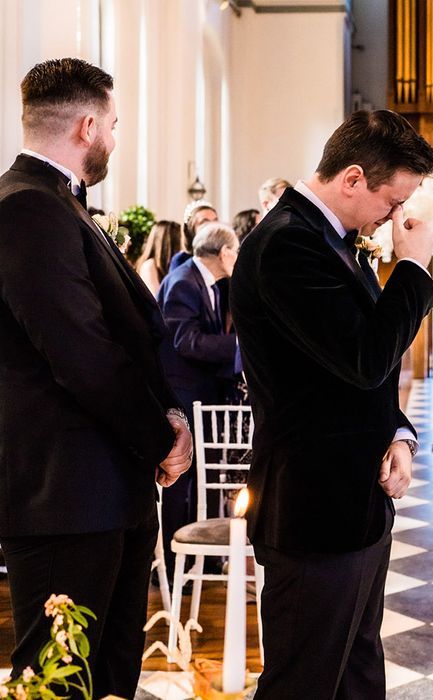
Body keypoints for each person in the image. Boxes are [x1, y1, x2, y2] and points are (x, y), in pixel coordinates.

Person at [0, 58, 192, 698]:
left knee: (108, 675)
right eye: (112, 124)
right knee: (59, 679)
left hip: (105, 490)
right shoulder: (28, 207)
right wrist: (161, 438)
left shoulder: (61, 205)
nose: (114, 136)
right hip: (67, 497)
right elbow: (82, 353)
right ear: (87, 126)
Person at [231, 109, 433, 699]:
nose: (396, 217)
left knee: (358, 674)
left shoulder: (330, 239)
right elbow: (365, 355)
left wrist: (397, 432)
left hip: (357, 501)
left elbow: (358, 374)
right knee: (304, 682)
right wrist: (414, 267)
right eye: (392, 201)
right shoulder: (287, 245)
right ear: (352, 179)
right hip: (312, 507)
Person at [156, 221, 240, 575]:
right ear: (223, 252)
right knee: (181, 484)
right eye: (235, 250)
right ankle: (177, 568)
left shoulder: (208, 281)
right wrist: (243, 347)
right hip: (183, 396)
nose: (237, 257)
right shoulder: (183, 282)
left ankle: (194, 560)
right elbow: (186, 341)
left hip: (201, 394)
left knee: (196, 480)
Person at [135, 219, 183, 295]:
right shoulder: (149, 266)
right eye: (180, 239)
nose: (183, 244)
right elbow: (157, 301)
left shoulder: (172, 265)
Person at [169, 199, 218, 272]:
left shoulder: (224, 255)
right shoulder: (181, 259)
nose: (212, 226)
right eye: (204, 222)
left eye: (215, 221)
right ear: (191, 228)